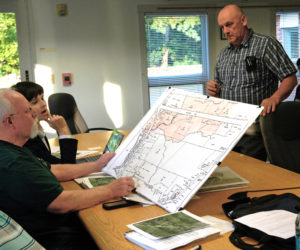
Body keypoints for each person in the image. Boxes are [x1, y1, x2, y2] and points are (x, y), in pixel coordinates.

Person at [0, 88, 135, 249]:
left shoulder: (13, 149)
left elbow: (53, 170)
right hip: (58, 239)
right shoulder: (12, 162)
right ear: (9, 121)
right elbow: (60, 202)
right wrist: (111, 190)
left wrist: (96, 165)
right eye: (28, 111)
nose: (34, 114)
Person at [206, 4, 297, 161]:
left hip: (255, 129)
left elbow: (290, 78)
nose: (226, 31)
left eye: (229, 24)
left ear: (243, 20)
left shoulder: (266, 44)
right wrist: (213, 89)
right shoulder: (223, 54)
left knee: (251, 176)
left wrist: (275, 98)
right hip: (229, 129)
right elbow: (219, 87)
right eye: (222, 27)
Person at [11, 81, 78, 164]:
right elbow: (67, 167)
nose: (43, 104)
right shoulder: (28, 140)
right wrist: (63, 129)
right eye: (35, 102)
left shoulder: (37, 131)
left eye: (42, 98)